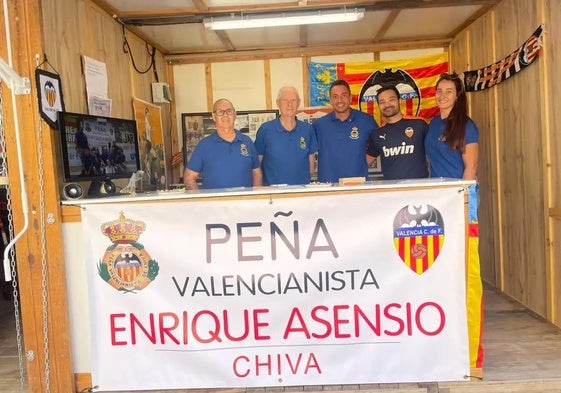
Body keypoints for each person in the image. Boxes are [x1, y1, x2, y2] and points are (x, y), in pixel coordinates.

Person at [184, 98, 262, 190]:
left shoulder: (247, 142)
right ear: (213, 116)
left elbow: (257, 173)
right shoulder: (204, 145)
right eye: (220, 112)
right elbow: (189, 177)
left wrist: (255, 199)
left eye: (229, 111)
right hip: (215, 204)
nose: (225, 115)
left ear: (235, 115)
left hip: (244, 203)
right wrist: (202, 202)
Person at [313, 79, 377, 183]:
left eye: (343, 95)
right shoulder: (319, 125)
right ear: (330, 100)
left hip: (358, 186)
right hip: (328, 187)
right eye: (335, 96)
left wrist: (366, 161)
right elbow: (306, 149)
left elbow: (380, 142)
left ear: (350, 98)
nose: (339, 100)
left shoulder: (366, 120)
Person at [255, 86, 317, 185]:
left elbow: (311, 167)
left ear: (299, 103)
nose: (290, 104)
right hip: (273, 195)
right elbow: (256, 168)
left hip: (301, 192)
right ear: (277, 103)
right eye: (285, 100)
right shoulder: (265, 130)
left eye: (293, 100)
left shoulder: (307, 130)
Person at [366, 85, 429, 180]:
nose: (387, 105)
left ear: (399, 101)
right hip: (392, 191)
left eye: (391, 99)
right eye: (382, 102)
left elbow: (436, 151)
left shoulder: (419, 124)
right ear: (378, 106)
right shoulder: (377, 134)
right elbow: (365, 161)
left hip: (419, 188)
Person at [425, 72, 479, 180]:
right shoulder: (433, 123)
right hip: (436, 190)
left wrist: (464, 194)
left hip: (457, 191)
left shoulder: (467, 126)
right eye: (439, 91)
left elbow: (471, 168)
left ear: (457, 96)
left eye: (449, 91)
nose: (442, 96)